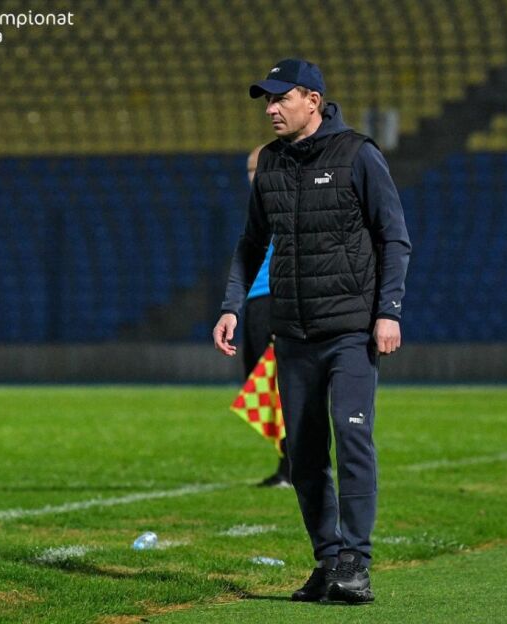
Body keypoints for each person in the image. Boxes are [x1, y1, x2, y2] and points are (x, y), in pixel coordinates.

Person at [213, 58, 411, 604]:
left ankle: (356, 563)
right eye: (267, 100)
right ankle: (328, 561)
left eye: (281, 98)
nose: (271, 109)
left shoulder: (358, 154)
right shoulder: (270, 163)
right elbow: (251, 242)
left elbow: (394, 237)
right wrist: (231, 306)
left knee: (351, 436)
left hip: (350, 329)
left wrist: (389, 311)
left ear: (313, 101)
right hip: (292, 332)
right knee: (302, 451)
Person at [243, 144, 291, 488]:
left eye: (257, 169)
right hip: (256, 301)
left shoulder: (286, 203)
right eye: (249, 171)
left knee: (282, 386)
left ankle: (293, 465)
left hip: (275, 299)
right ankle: (286, 461)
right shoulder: (260, 207)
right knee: (261, 383)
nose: (252, 177)